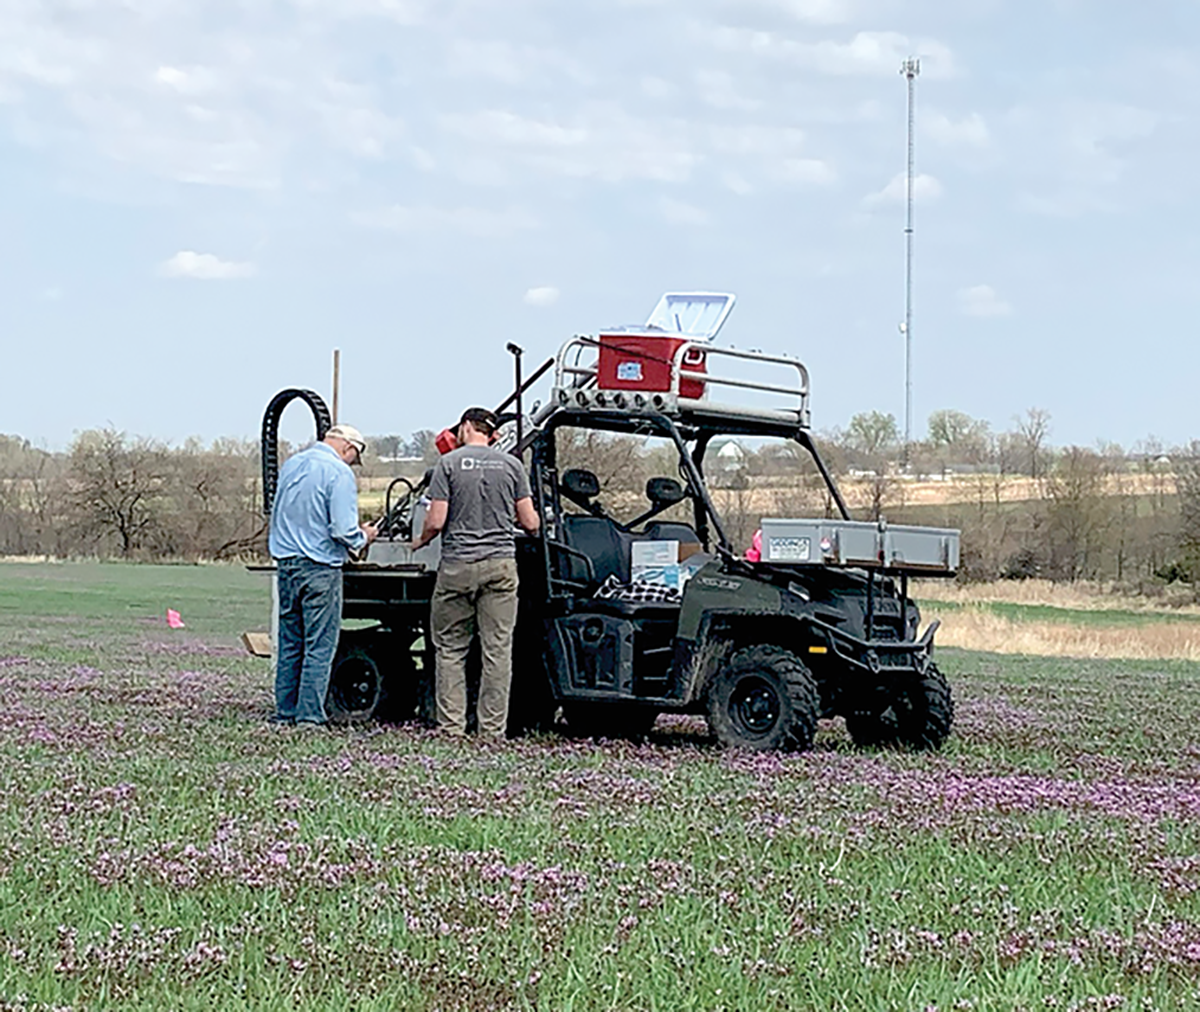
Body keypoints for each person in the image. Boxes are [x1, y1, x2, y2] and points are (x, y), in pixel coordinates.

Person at [412, 407, 540, 739]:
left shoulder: (448, 464)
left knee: (451, 648)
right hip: (500, 565)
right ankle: (491, 732)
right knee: (497, 650)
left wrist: (418, 541)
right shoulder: (512, 465)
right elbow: (530, 523)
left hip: (457, 565)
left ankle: (452, 728)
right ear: (492, 433)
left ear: (466, 426)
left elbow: (436, 521)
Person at [269, 424, 378, 727]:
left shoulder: (292, 464)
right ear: (349, 448)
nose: (351, 463)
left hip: (287, 564)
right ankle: (309, 717)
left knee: (291, 642)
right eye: (353, 457)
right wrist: (364, 537)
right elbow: (343, 529)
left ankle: (285, 712)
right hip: (320, 567)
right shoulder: (339, 473)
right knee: (319, 645)